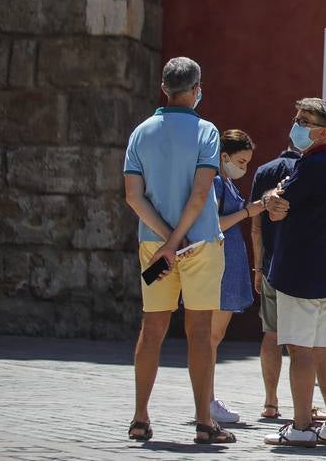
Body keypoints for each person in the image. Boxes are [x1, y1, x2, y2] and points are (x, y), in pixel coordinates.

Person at [122, 57, 233, 445]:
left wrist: (166, 242)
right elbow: (201, 193)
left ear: (164, 88)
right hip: (198, 241)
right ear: (196, 87)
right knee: (199, 331)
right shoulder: (206, 131)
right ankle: (205, 422)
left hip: (154, 245)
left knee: (151, 328)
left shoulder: (140, 133)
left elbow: (133, 197)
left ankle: (140, 418)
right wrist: (179, 241)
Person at [261, 98, 326, 448]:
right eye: (296, 116)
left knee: (299, 352)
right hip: (323, 272)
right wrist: (274, 201)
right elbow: (278, 202)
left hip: (300, 272)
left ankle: (300, 427)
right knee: (319, 351)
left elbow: (278, 205)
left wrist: (273, 200)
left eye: (305, 120)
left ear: (322, 130)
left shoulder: (313, 165)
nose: (297, 123)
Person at [208, 129, 265, 426]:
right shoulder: (216, 181)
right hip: (219, 266)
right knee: (211, 338)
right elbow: (213, 223)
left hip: (228, 265)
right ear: (225, 156)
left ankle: (206, 398)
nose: (243, 167)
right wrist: (247, 212)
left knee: (213, 338)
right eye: (240, 161)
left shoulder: (225, 181)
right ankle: (205, 400)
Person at [249, 138, 301, 420]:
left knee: (271, 333)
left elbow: (256, 227)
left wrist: (257, 268)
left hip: (271, 265)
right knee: (301, 340)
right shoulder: (310, 171)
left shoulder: (264, 171)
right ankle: (301, 405)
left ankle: (270, 401)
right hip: (303, 268)